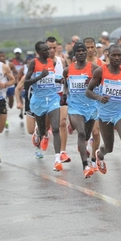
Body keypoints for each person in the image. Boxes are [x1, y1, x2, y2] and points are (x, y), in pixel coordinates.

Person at [86, 44, 121, 192]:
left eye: (120, 55)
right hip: (105, 114)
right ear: (108, 56)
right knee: (109, 147)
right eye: (114, 55)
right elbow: (88, 91)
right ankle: (100, 153)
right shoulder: (100, 72)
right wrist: (99, 97)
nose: (118, 58)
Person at [63, 42, 100, 178]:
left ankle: (83, 147)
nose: (81, 53)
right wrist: (65, 94)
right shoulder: (68, 70)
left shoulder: (95, 68)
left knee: (87, 134)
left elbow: (102, 82)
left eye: (83, 50)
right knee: (81, 132)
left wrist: (93, 81)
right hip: (75, 106)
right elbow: (65, 85)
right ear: (74, 54)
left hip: (91, 107)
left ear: (86, 52)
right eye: (78, 51)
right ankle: (85, 165)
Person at [24, 41, 63, 171]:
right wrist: (40, 76)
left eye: (49, 49)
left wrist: (58, 80)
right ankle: (38, 132)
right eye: (45, 50)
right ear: (39, 52)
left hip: (52, 99)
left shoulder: (52, 62)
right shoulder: (33, 63)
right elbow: (26, 83)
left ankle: (57, 159)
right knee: (42, 131)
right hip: (39, 100)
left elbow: (50, 79)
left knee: (56, 128)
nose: (49, 51)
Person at [46, 36, 71, 164]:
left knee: (62, 123)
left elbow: (67, 77)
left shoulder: (62, 60)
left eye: (54, 48)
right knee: (47, 125)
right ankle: (42, 133)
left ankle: (62, 152)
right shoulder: (41, 63)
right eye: (49, 48)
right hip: (46, 96)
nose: (51, 50)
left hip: (60, 94)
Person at [83, 37, 106, 171]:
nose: (90, 50)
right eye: (87, 47)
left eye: (92, 47)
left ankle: (93, 160)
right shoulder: (79, 64)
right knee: (85, 133)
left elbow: (106, 82)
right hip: (83, 103)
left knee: (96, 133)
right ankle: (85, 145)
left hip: (97, 103)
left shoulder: (101, 64)